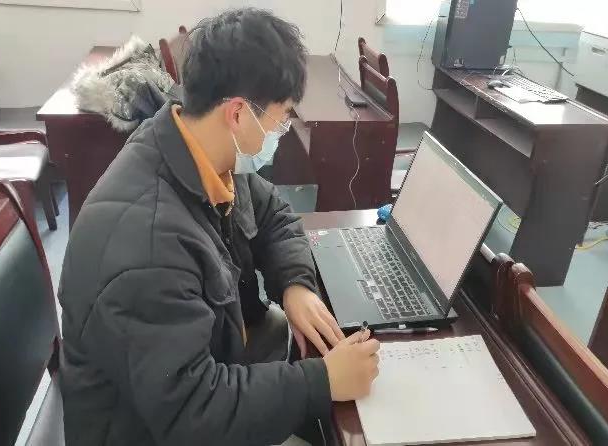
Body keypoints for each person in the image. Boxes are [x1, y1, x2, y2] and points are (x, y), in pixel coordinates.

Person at [58, 7, 379, 446]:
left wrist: (295, 285)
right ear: (238, 114)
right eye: (282, 117)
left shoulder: (201, 150)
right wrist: (321, 382)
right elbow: (194, 413)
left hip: (206, 364)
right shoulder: (147, 248)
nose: (283, 130)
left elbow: (274, 216)